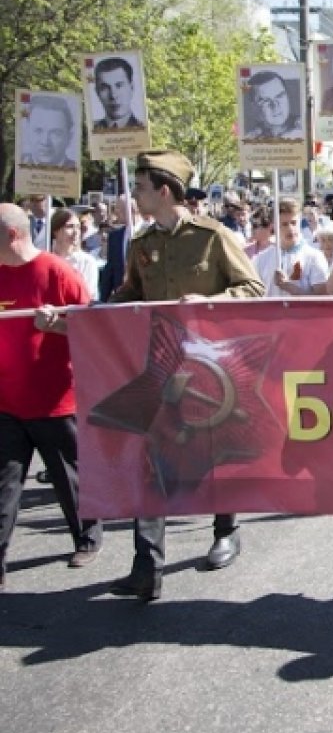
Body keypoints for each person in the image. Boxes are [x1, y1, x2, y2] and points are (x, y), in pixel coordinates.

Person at [100, 150, 264, 600]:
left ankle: (226, 529)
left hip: (212, 371)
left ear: (164, 191)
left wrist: (211, 304)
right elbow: (129, 294)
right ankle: (146, 564)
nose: (136, 195)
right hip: (161, 369)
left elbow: (253, 288)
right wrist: (87, 316)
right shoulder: (141, 245)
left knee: (215, 455)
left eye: (142, 187)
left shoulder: (214, 237)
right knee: (148, 460)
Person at [1, 204, 103, 590]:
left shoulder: (57, 272)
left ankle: (87, 537)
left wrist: (57, 325)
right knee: (5, 485)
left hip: (54, 401)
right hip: (6, 402)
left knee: (69, 476)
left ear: (11, 236)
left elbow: (93, 328)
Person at [251, 199, 329, 297]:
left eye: (293, 223)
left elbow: (323, 298)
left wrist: (291, 288)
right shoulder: (261, 259)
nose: (290, 228)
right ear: (274, 226)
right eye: (284, 224)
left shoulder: (314, 257)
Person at [50, 209, 100, 300]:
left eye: (78, 227)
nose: (76, 231)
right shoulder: (46, 259)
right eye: (70, 226)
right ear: (55, 231)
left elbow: (88, 295)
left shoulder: (87, 262)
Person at [244, 71, 304, 139]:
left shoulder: (305, 128)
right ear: (254, 107)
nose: (275, 105)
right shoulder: (250, 139)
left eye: (279, 96)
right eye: (266, 100)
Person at [21, 95, 76, 168]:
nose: (45, 142)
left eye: (55, 133)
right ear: (27, 132)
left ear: (69, 138)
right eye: (38, 131)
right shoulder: (17, 165)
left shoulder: (74, 168)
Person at [91, 56, 143, 129]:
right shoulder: (92, 129)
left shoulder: (141, 128)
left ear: (131, 87)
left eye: (119, 86)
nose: (113, 95)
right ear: (97, 92)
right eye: (105, 88)